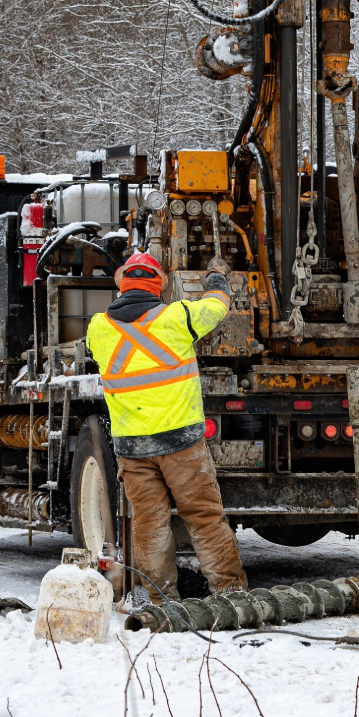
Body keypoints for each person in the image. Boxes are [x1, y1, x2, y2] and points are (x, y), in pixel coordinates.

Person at [86, 251, 247, 600]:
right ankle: (231, 593)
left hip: (133, 448)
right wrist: (216, 277)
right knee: (204, 518)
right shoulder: (177, 317)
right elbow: (217, 307)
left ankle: (161, 599)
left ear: (121, 287)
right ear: (159, 287)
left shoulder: (98, 328)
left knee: (149, 525)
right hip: (181, 443)